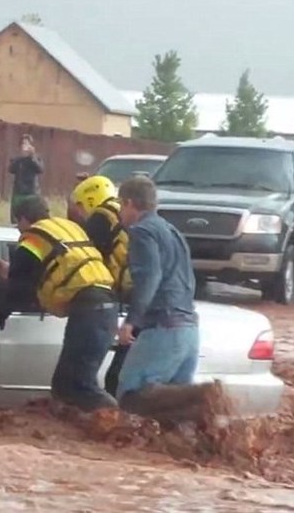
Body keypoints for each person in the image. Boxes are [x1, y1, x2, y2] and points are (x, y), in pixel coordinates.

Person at [0, 195, 119, 412]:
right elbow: (56, 270)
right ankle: (80, 438)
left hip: (89, 311)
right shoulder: (67, 229)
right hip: (105, 305)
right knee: (64, 387)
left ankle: (123, 424)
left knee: (79, 386)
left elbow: (14, 293)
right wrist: (13, 272)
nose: (18, 229)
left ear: (24, 219)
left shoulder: (32, 240)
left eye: (17, 223)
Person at [114, 176, 207, 423]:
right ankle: (199, 432)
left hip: (163, 327)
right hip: (188, 329)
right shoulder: (172, 231)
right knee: (174, 411)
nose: (120, 214)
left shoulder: (141, 231)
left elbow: (149, 277)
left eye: (120, 206)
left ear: (130, 203)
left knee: (130, 395)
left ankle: (205, 402)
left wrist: (131, 322)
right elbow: (189, 279)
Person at [71, 175, 133, 397]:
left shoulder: (99, 218)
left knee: (108, 380)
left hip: (115, 303)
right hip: (134, 301)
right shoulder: (122, 215)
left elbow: (83, 260)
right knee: (118, 376)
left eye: (79, 206)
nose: (79, 212)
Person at [8, 134, 44, 224]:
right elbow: (11, 169)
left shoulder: (36, 158)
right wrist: (21, 157)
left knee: (32, 218)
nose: (25, 146)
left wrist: (31, 157)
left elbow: (40, 169)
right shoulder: (17, 159)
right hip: (19, 192)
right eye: (23, 144)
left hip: (31, 191)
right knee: (17, 219)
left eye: (27, 144)